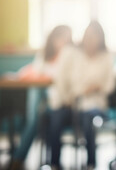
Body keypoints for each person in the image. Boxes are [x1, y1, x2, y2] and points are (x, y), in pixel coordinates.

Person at [48, 20, 116, 170]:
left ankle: (90, 164)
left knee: (88, 119)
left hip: (95, 105)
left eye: (94, 37)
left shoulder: (107, 57)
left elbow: (110, 86)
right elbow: (62, 80)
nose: (90, 40)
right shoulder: (74, 55)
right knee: (56, 117)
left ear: (101, 39)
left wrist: (96, 87)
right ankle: (54, 163)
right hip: (72, 103)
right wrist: (67, 98)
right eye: (88, 36)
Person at [8, 25, 72, 170]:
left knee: (36, 118)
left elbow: (61, 80)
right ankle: (18, 157)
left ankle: (18, 157)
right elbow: (36, 74)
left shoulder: (68, 55)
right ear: (54, 38)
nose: (64, 41)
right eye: (61, 37)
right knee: (35, 112)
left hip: (58, 98)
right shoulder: (44, 54)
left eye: (67, 38)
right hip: (41, 96)